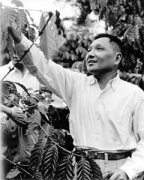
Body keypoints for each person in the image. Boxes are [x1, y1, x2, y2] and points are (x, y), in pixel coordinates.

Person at [8, 26, 144, 180]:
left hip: (119, 168)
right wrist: (19, 38)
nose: (91, 54)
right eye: (90, 50)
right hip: (79, 168)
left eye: (99, 49)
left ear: (117, 58)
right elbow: (43, 67)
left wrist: (128, 171)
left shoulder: (134, 94)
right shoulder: (76, 85)